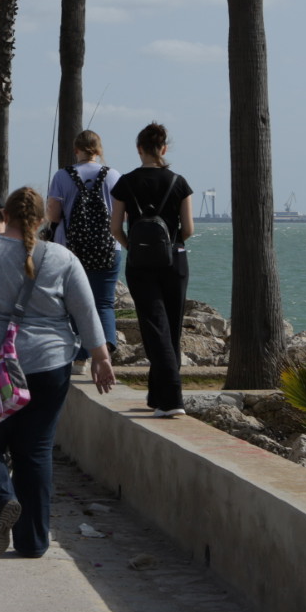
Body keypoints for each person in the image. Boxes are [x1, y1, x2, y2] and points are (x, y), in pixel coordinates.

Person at [0, 186, 115, 558]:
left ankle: (1, 497)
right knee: (35, 451)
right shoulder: (61, 257)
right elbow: (86, 312)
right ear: (41, 220)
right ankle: (33, 542)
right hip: (48, 366)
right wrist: (101, 357)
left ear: (5, 215)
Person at [110, 122, 194, 418]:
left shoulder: (126, 183)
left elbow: (115, 228)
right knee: (171, 327)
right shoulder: (179, 182)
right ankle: (162, 396)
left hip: (140, 264)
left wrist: (132, 247)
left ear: (139, 149)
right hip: (175, 260)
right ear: (164, 149)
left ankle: (168, 398)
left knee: (154, 326)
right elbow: (188, 229)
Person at [46, 129, 121, 357]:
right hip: (108, 248)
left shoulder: (62, 176)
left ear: (76, 149)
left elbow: (54, 215)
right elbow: (122, 215)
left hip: (70, 250)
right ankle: (105, 354)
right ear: (99, 150)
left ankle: (80, 358)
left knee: (74, 303)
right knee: (104, 304)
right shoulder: (113, 176)